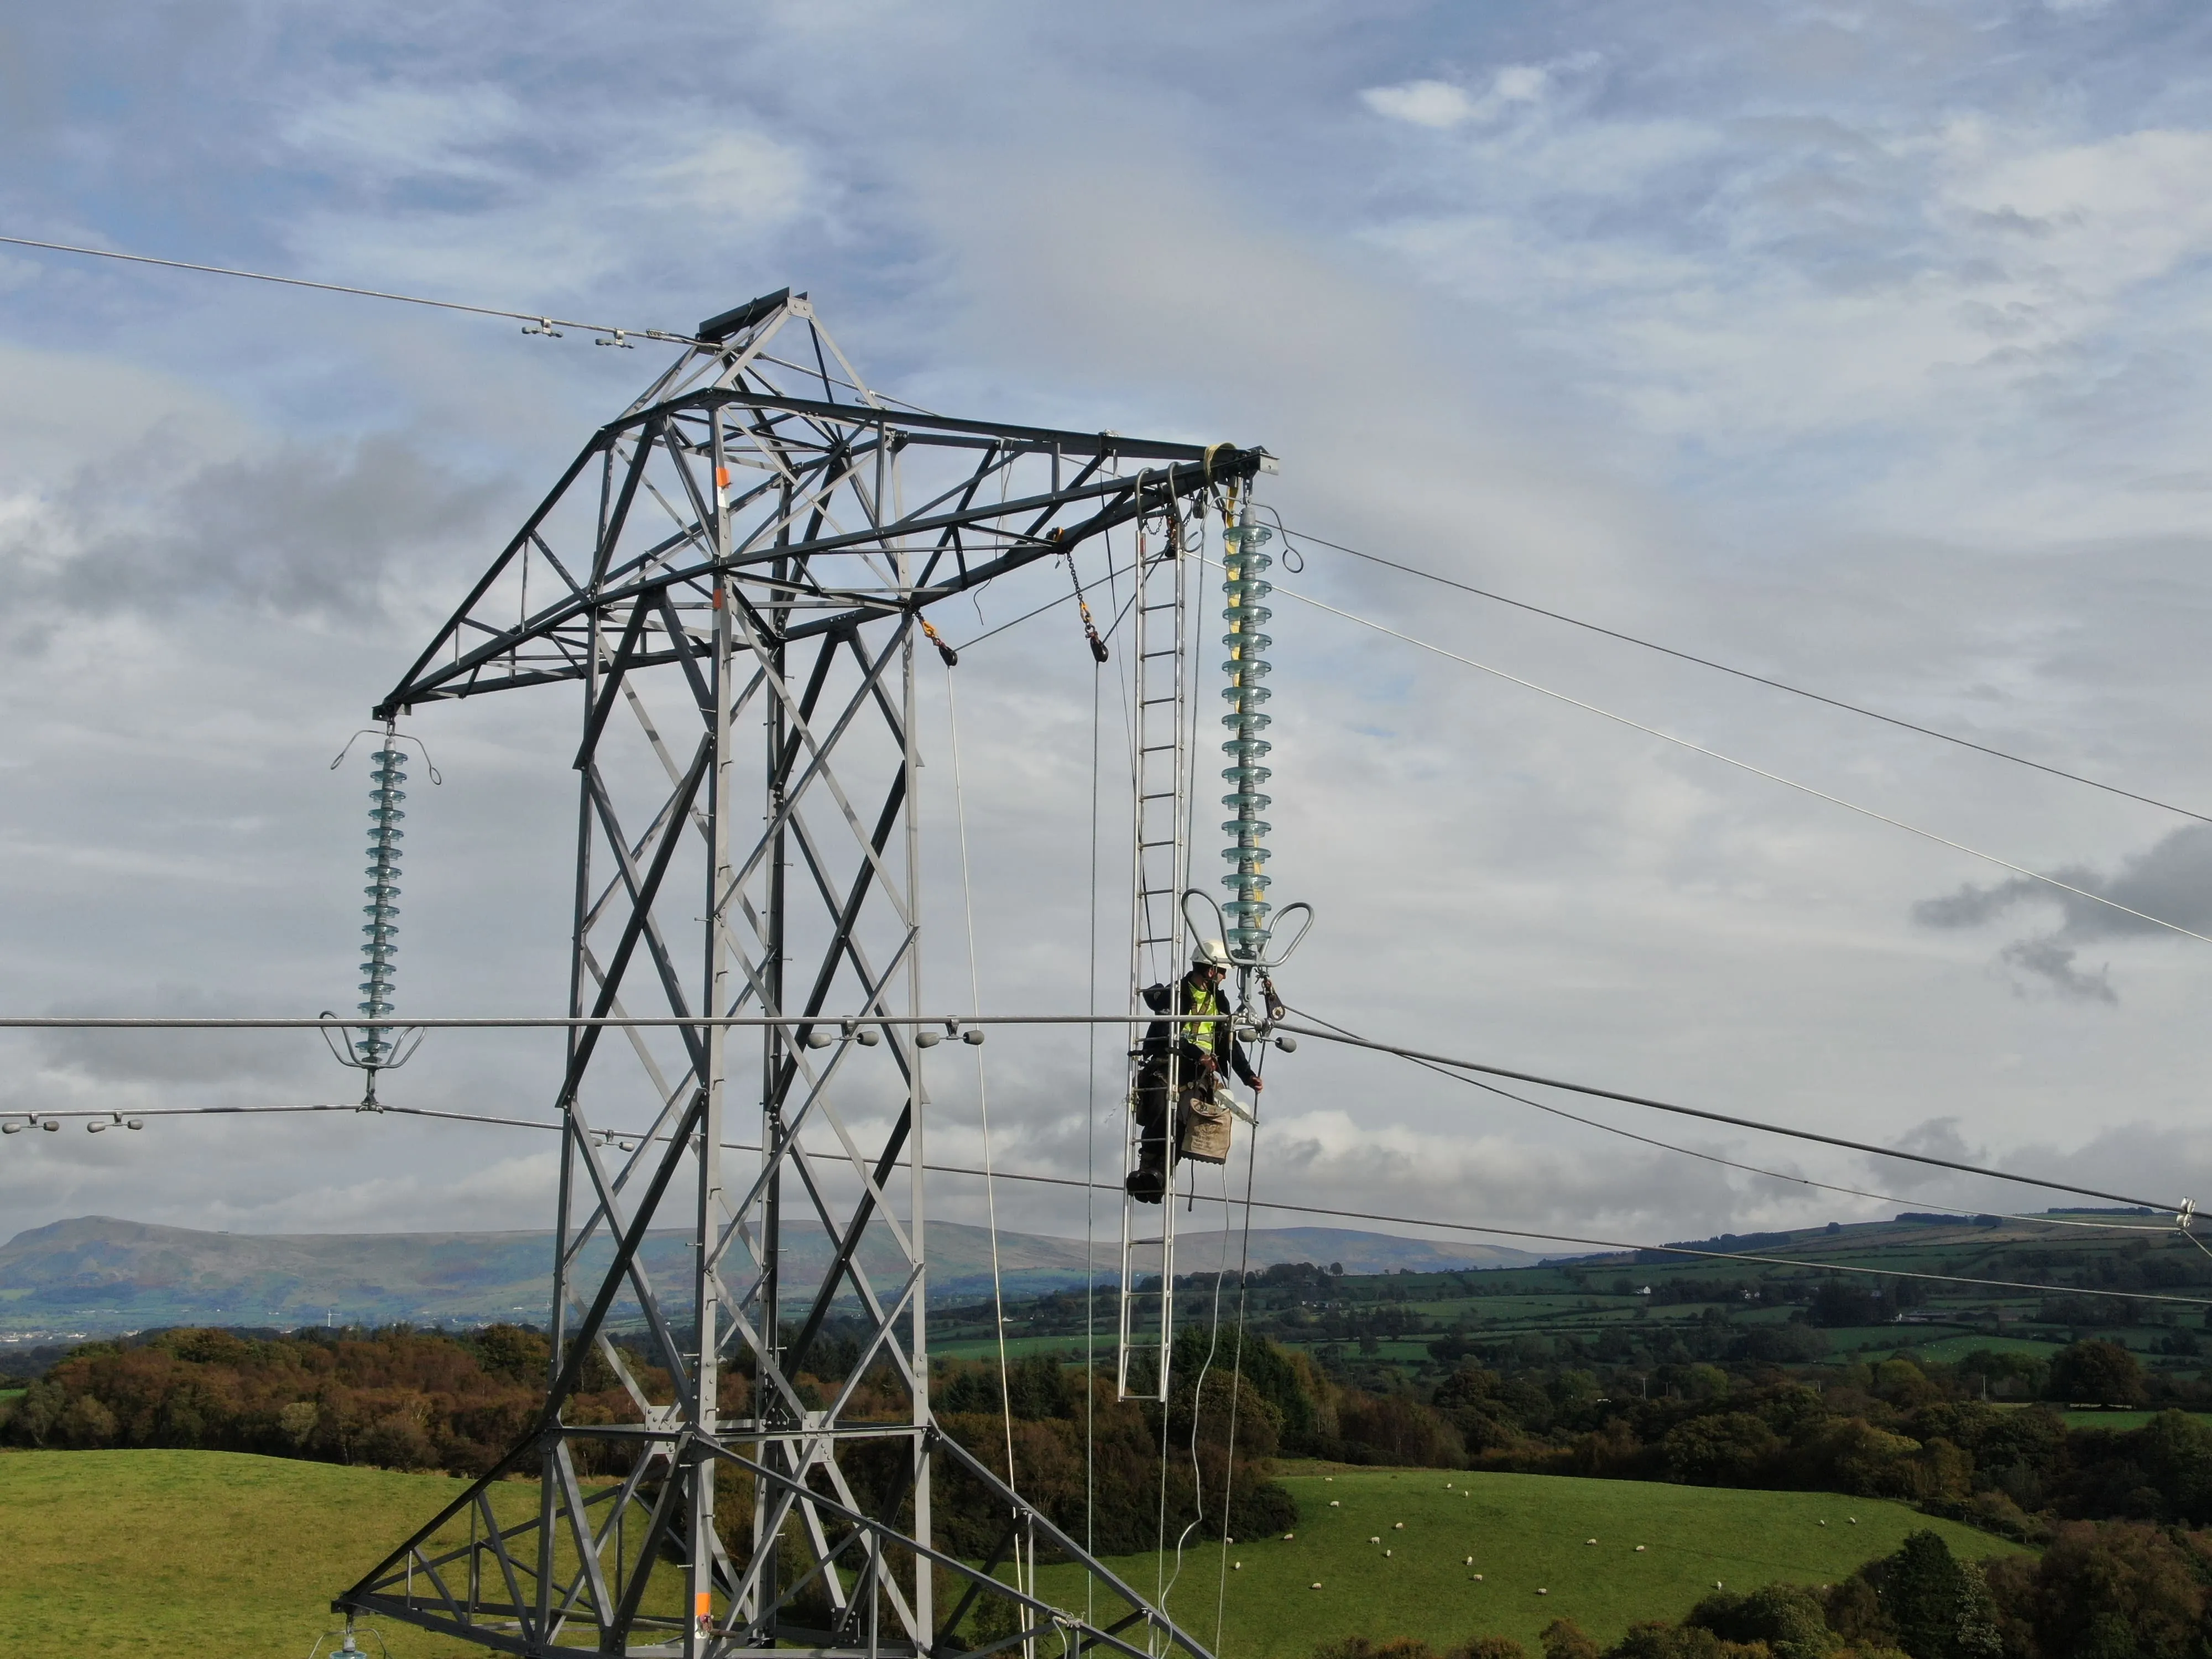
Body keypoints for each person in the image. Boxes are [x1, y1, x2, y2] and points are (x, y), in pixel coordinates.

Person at [1125, 939, 1262, 1203]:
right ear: (1211, 971)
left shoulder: (1219, 1004)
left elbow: (1226, 1045)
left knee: (1183, 1121)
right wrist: (1200, 1056)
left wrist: (1248, 1075)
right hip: (1167, 1067)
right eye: (1222, 972)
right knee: (1161, 1112)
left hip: (1196, 1076)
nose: (1223, 978)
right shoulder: (1176, 996)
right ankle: (1148, 1172)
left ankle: (1157, 1178)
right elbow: (1169, 1032)